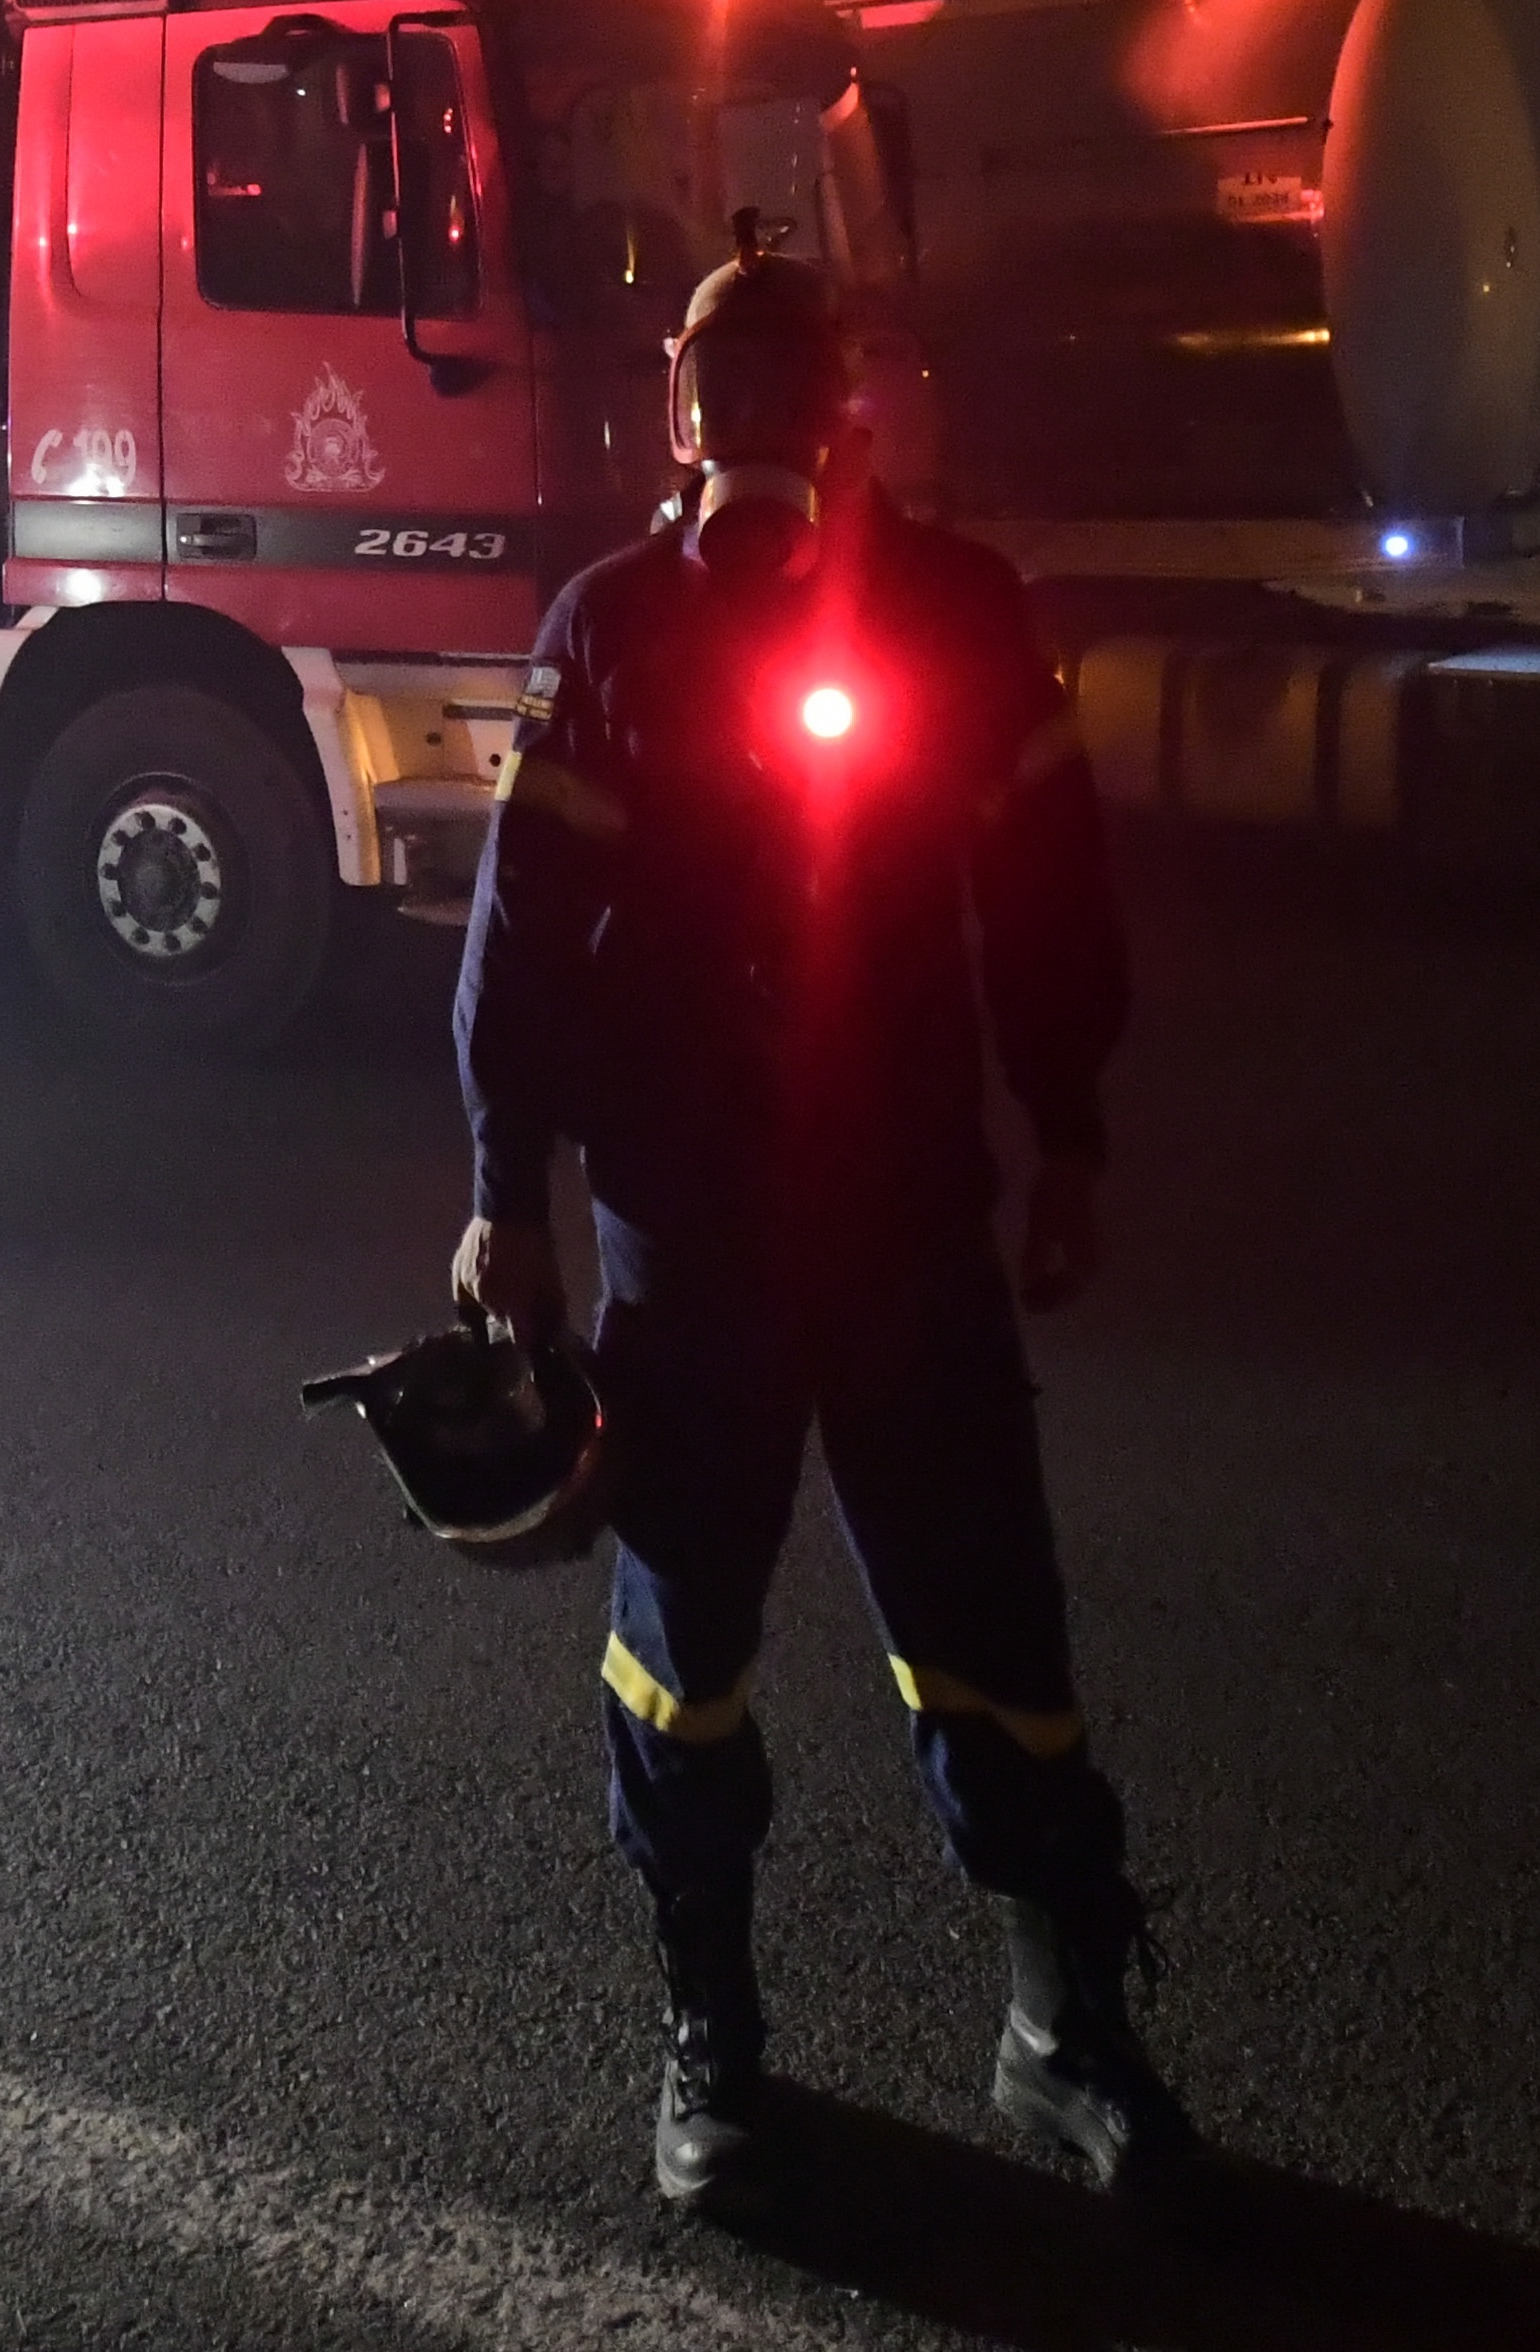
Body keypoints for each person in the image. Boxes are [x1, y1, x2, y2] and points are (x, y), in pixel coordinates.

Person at [447, 215, 1191, 2215]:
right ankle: (716, 2044)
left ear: (838, 408)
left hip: (908, 1223)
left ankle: (1065, 2031)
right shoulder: (611, 624)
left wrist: (1074, 1131)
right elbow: (520, 927)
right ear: (689, 416)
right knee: (683, 1649)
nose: (759, 417)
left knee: (991, 1628)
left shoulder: (955, 609)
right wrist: (505, 1187)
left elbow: (1047, 892)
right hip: (692, 1238)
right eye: (730, 382)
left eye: (788, 380)